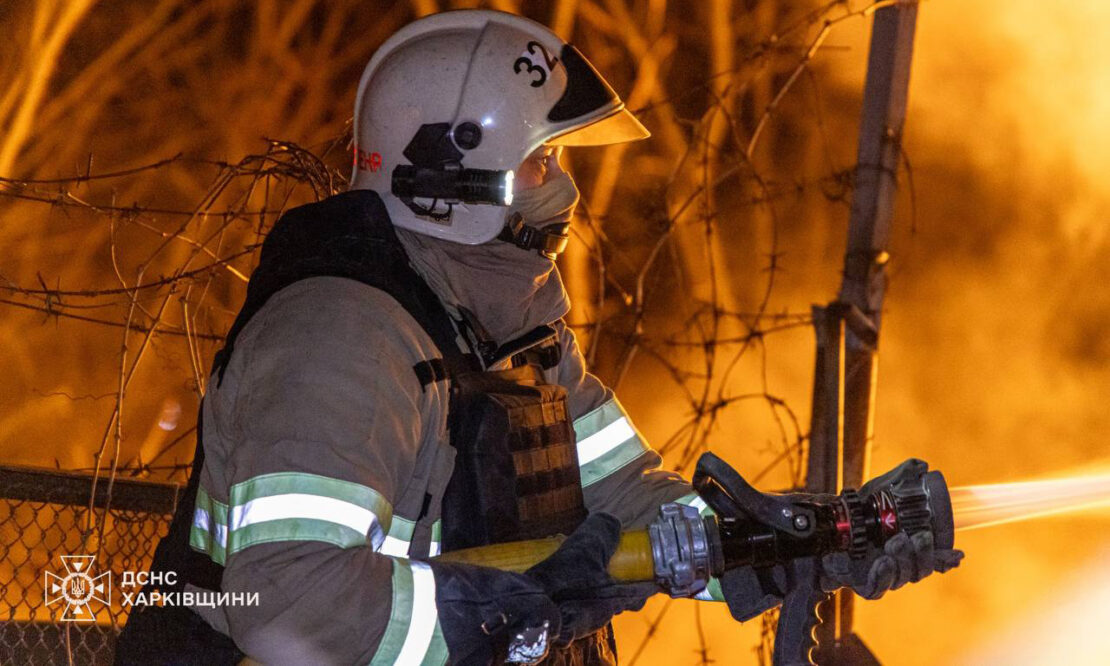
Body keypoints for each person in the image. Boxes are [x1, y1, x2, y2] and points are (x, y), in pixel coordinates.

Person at [115, 10, 960, 666]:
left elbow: (631, 504)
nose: (563, 190)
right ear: (448, 177)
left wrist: (799, 541)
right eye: (542, 163)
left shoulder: (513, 332)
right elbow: (290, 609)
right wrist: (510, 610)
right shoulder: (340, 340)